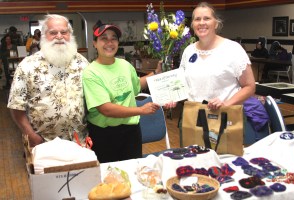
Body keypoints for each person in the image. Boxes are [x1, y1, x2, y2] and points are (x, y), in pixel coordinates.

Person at [165, 2, 256, 146]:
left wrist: (225, 103)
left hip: (225, 117)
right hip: (193, 117)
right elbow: (183, 83)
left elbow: (250, 86)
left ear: (216, 23)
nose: (201, 23)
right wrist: (174, 97)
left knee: (225, 164)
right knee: (192, 163)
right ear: (192, 24)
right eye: (197, 19)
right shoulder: (189, 51)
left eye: (206, 18)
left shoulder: (233, 49)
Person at [82, 20, 162, 163]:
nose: (109, 42)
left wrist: (156, 73)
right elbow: (106, 109)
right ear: (94, 43)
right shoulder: (91, 73)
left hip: (131, 131)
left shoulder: (125, 65)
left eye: (114, 38)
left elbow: (137, 85)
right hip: (105, 135)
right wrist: (140, 110)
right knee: (109, 176)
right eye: (104, 38)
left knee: (133, 172)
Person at [7, 14, 90, 147]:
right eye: (53, 32)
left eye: (64, 32)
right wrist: (31, 136)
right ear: (44, 35)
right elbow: (16, 106)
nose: (59, 36)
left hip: (79, 142)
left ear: (70, 35)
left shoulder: (82, 63)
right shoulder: (28, 65)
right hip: (43, 145)